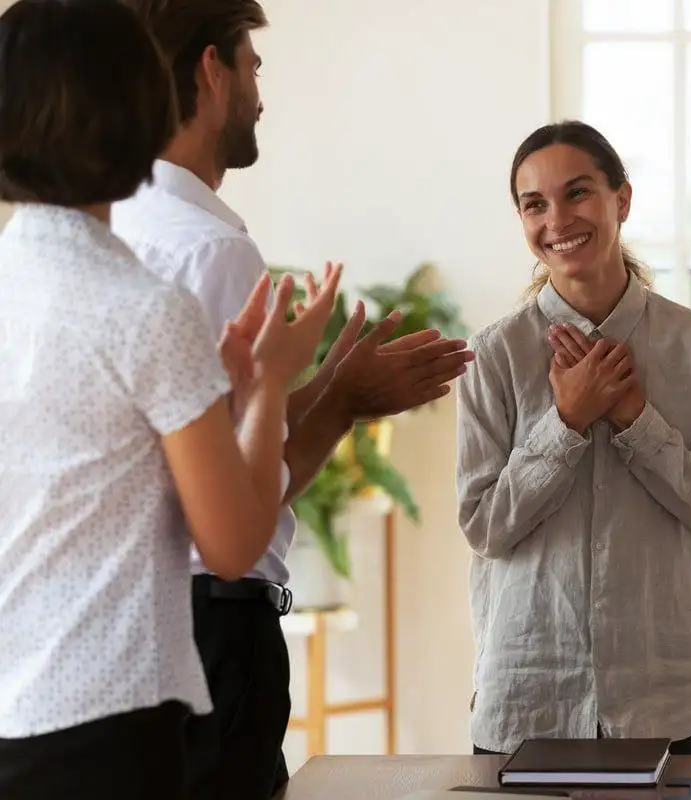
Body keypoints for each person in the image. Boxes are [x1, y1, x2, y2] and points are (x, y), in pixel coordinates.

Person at [112, 2, 474, 797]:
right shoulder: (211, 249)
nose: (261, 91)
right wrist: (340, 403)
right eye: (253, 65)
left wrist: (325, 390)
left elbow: (192, 449)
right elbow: (231, 498)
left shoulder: (127, 224)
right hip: (213, 633)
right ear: (211, 71)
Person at [0, 1, 338, 797]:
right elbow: (230, 543)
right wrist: (263, 386)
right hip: (107, 724)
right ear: (135, 113)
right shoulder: (145, 308)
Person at [456, 120, 691, 756]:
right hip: (529, 697)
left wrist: (638, 421)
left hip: (666, 696)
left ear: (622, 200)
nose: (557, 218)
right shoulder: (494, 354)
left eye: (578, 192)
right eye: (534, 204)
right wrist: (563, 424)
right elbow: (483, 527)